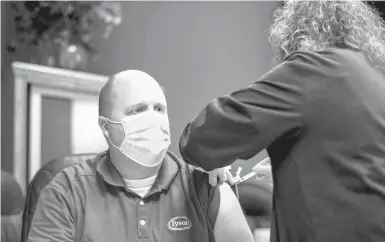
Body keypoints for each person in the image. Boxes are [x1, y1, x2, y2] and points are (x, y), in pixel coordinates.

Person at [179, 1, 385, 242]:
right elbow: (354, 172)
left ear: (297, 34)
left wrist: (212, 157)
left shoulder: (311, 70)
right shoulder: (374, 81)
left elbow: (201, 138)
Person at [27, 70, 253, 242]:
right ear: (106, 127)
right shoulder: (66, 190)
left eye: (159, 109)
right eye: (137, 110)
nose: (152, 118)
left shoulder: (205, 184)